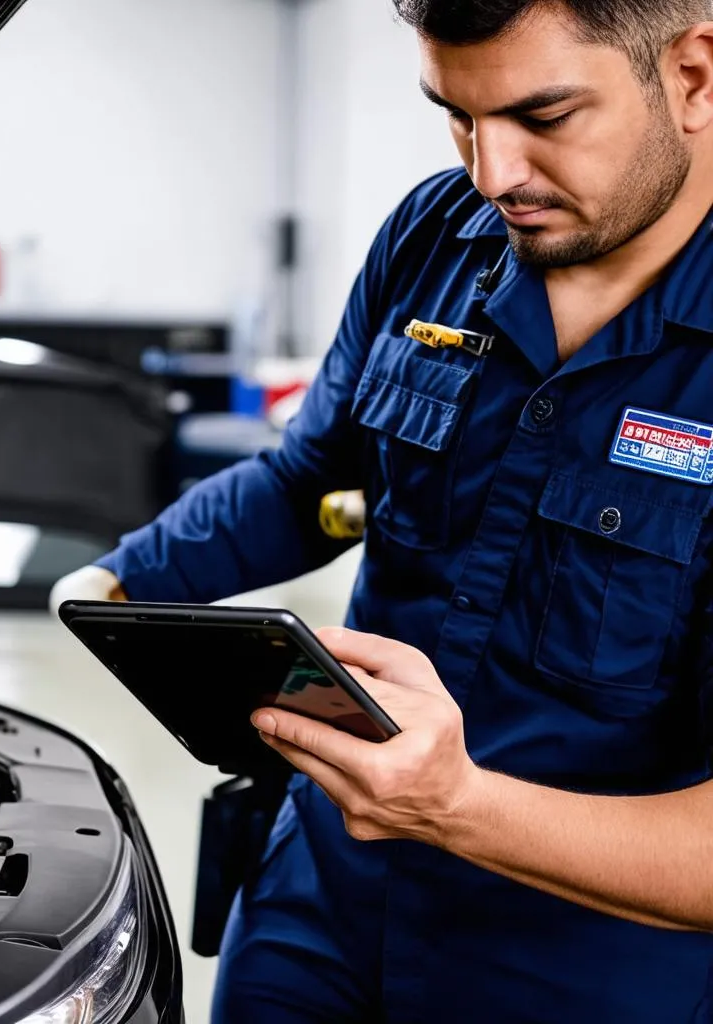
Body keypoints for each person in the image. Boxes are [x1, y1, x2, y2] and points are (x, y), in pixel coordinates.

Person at [52, 0, 713, 1019]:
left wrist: (457, 806)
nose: (493, 176)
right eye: (457, 115)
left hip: (580, 959)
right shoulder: (431, 238)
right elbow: (307, 482)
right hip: (319, 901)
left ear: (694, 76)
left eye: (543, 116)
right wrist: (114, 582)